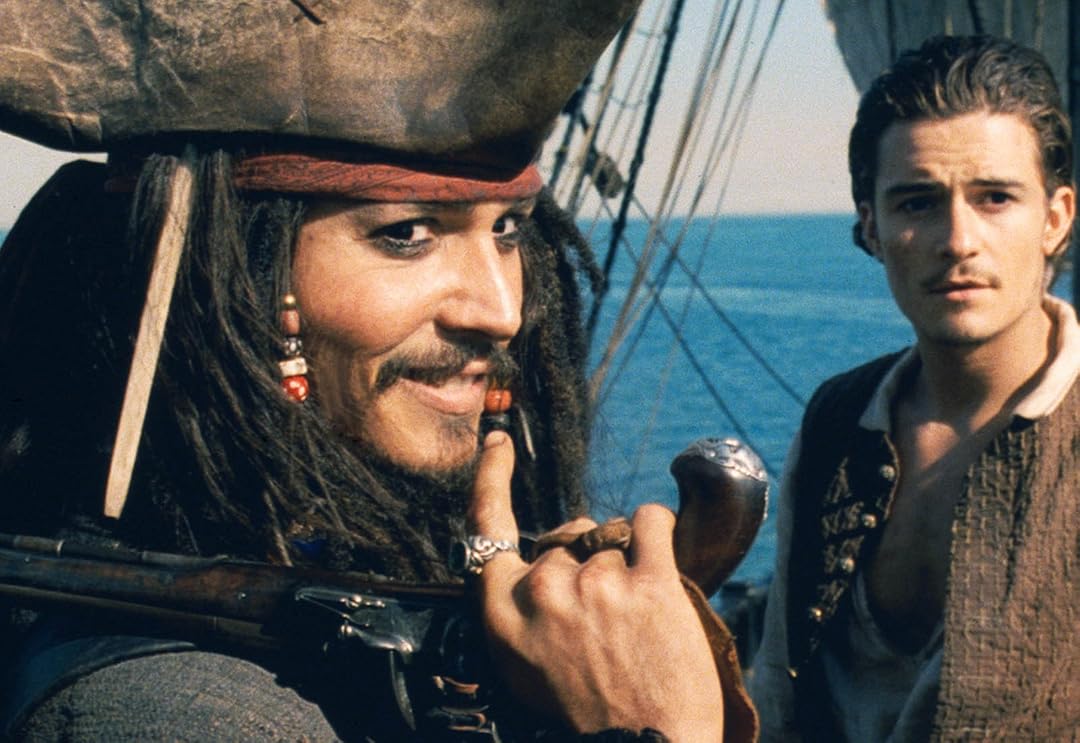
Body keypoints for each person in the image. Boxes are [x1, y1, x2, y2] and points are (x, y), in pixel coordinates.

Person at [0, 2, 756, 741]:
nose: (501, 311)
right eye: (407, 233)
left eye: (507, 230)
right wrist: (656, 720)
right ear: (237, 277)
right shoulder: (180, 716)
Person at [749, 34, 1080, 741]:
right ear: (871, 226)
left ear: (1055, 220)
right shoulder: (838, 419)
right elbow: (778, 694)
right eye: (917, 203)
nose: (957, 239)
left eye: (995, 198)